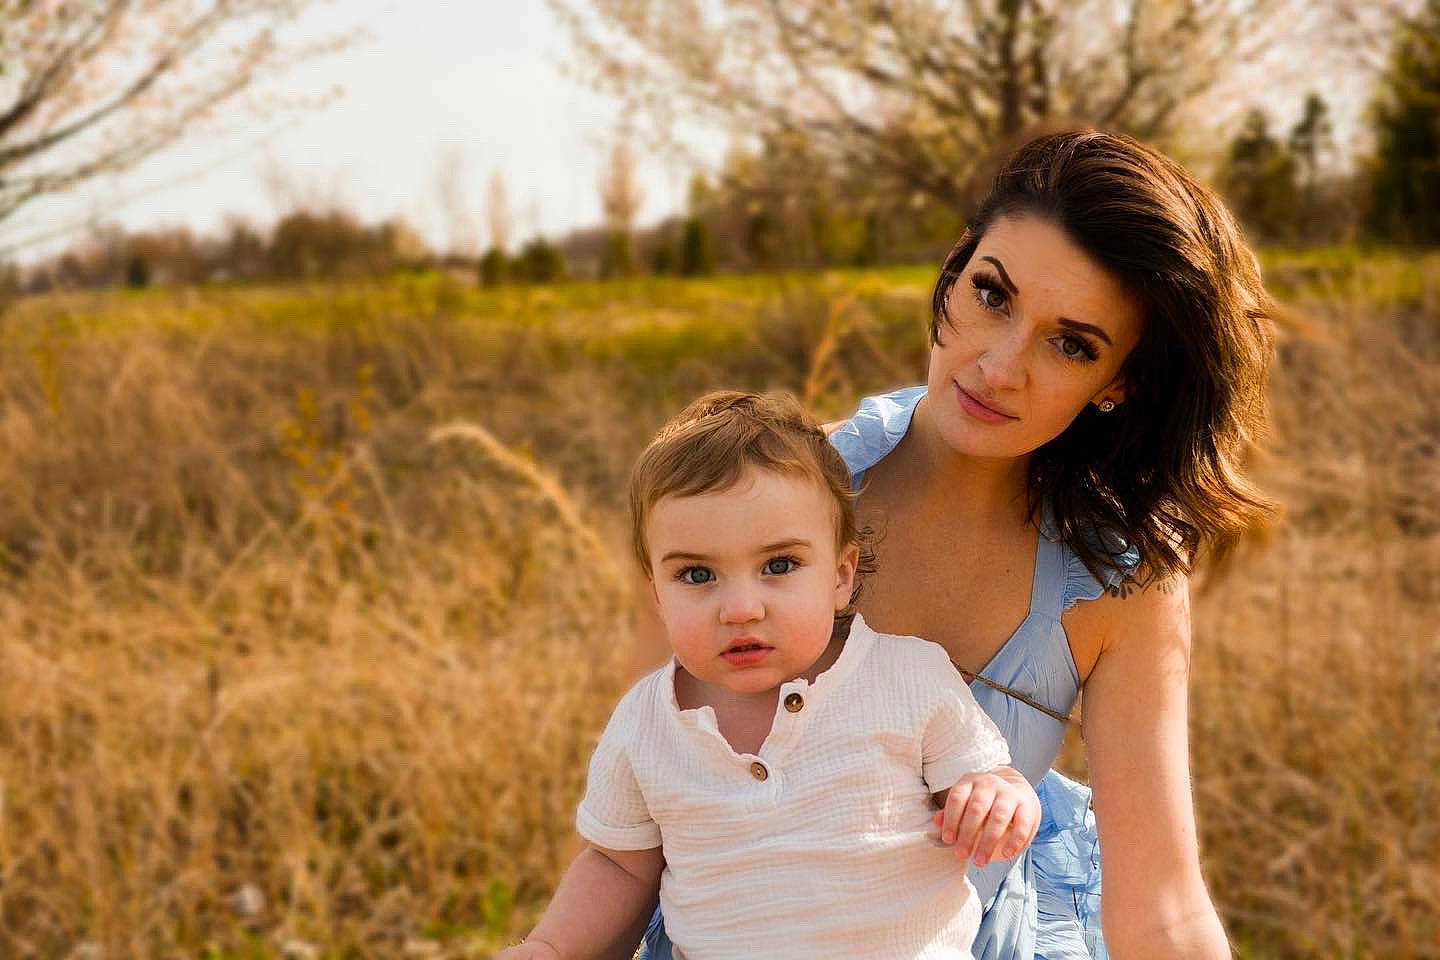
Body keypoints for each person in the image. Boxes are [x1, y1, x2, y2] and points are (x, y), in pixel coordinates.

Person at [637, 129, 1277, 959]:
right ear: (957, 265)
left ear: (1119, 382)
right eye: (992, 294)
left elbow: (1162, 906)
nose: (1000, 365)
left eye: (1070, 342)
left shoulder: (1119, 578)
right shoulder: (750, 502)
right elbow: (640, 830)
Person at [499, 391, 1043, 960]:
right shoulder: (646, 723)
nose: (740, 608)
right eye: (697, 574)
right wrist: (552, 946)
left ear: (840, 576)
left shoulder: (906, 677)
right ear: (656, 595)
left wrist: (997, 797)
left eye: (778, 566)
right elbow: (618, 864)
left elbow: (988, 778)